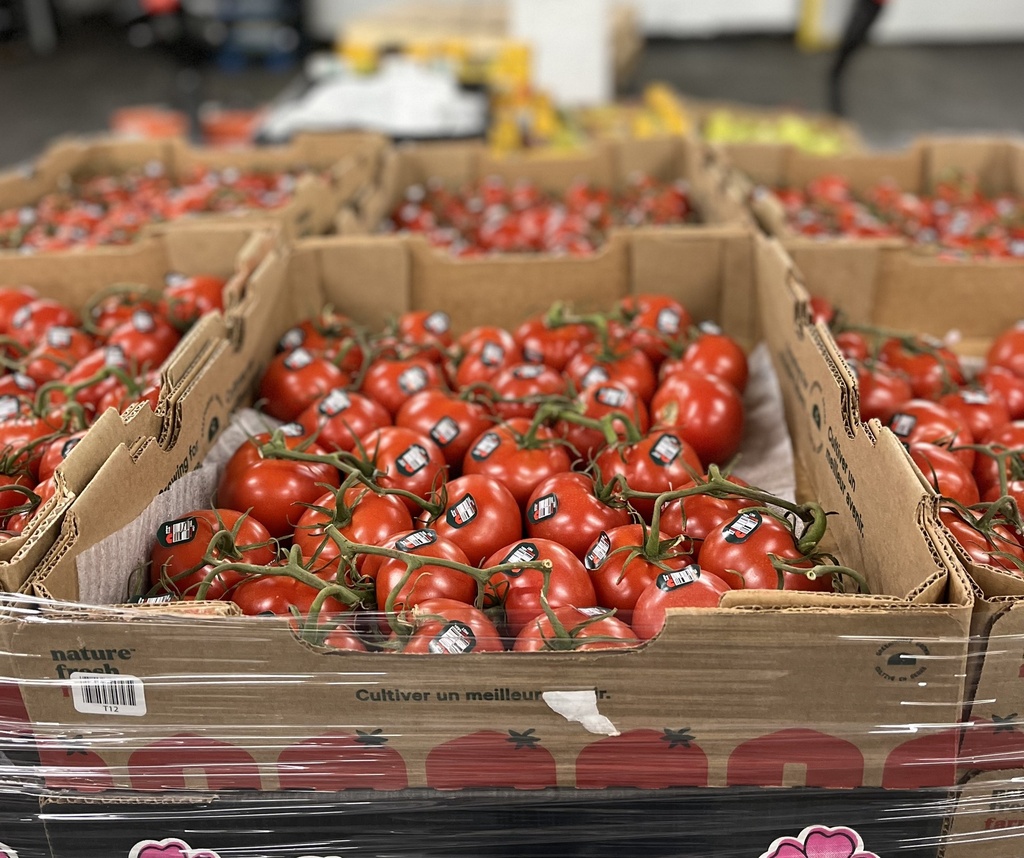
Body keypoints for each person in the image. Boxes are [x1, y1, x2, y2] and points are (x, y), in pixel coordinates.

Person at [829, 0, 888, 116]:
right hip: (868, 5)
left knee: (855, 39)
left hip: (875, 6)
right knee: (851, 40)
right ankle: (836, 71)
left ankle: (837, 70)